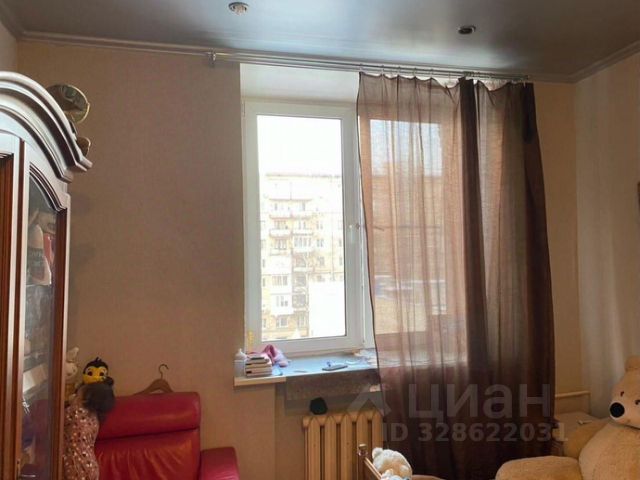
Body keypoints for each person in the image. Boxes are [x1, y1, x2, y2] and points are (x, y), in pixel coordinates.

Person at [62, 382, 115, 480]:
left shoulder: (75, 412)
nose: (73, 397)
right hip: (90, 465)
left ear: (85, 400)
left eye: (76, 395)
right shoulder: (95, 418)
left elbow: (55, 420)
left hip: (75, 466)